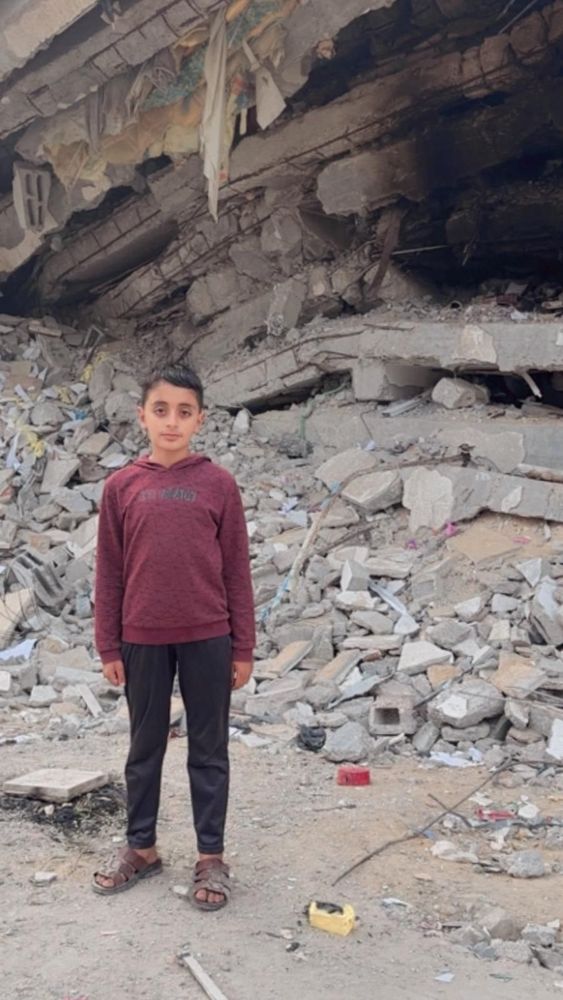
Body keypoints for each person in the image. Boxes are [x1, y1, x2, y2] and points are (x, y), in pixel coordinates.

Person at [91, 364, 255, 910]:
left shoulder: (219, 485)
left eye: (184, 412)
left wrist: (243, 646)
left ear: (200, 419)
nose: (171, 421)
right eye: (161, 410)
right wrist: (108, 644)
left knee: (209, 749)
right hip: (142, 638)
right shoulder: (121, 487)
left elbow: (236, 570)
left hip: (209, 635)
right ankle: (141, 848)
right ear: (142, 416)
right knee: (144, 746)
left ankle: (211, 857)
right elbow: (109, 571)